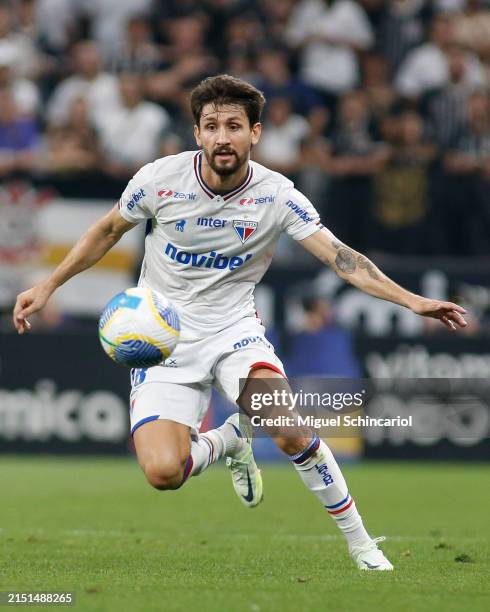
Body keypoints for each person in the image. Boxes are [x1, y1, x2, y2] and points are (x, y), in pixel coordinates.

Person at [13, 75, 468, 571]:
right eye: (212, 126)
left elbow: (340, 257)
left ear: (255, 133)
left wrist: (411, 300)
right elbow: (105, 231)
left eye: (233, 126)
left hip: (234, 332)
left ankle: (362, 546)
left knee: (290, 432)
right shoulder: (158, 179)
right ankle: (228, 440)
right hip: (162, 339)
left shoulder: (277, 195)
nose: (222, 137)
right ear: (197, 134)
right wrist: (48, 285)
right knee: (164, 473)